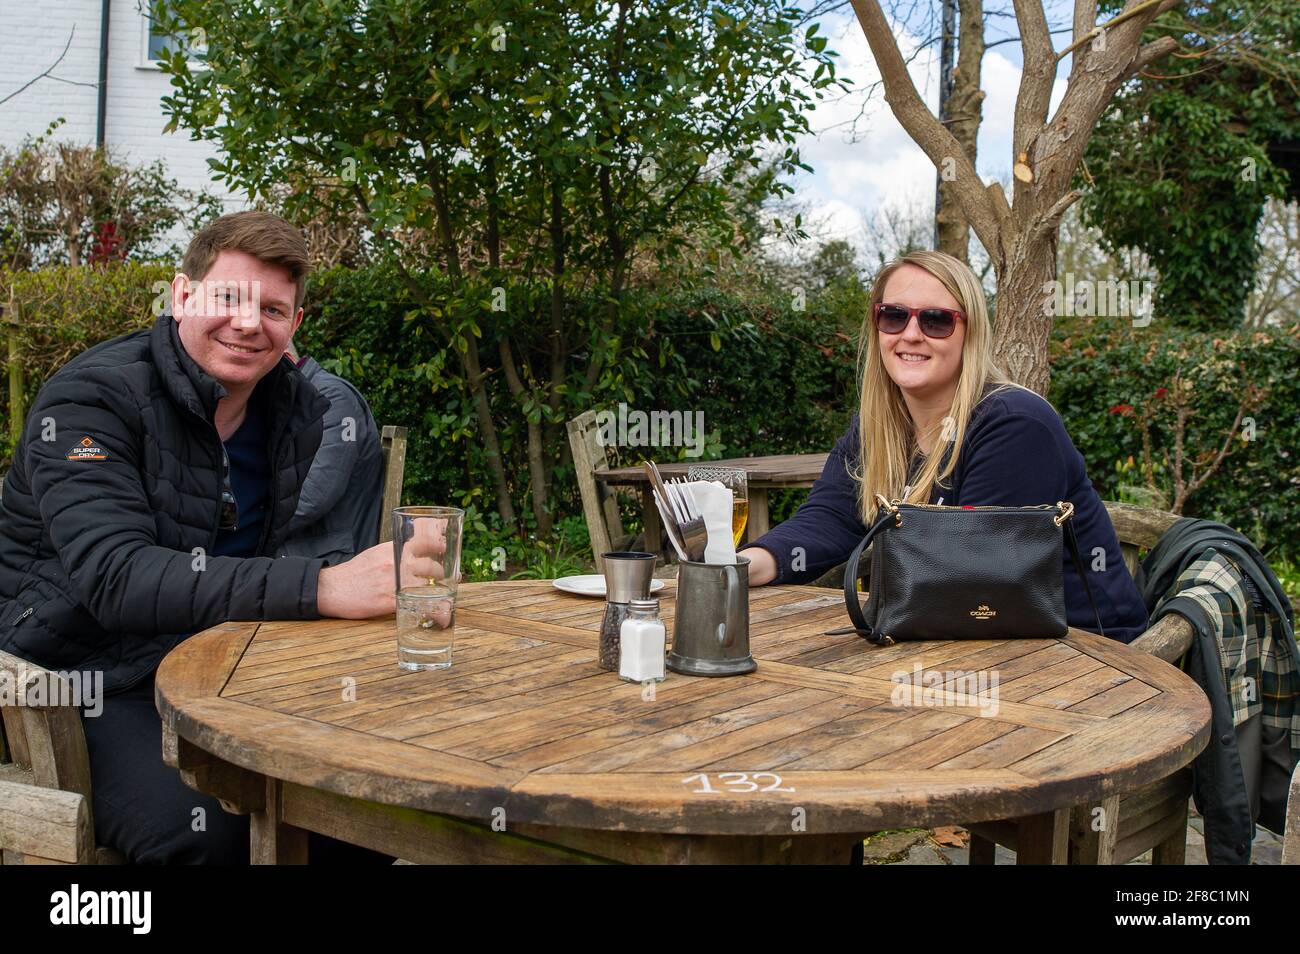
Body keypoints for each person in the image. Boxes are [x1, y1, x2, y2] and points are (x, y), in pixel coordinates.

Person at [0, 211, 411, 863]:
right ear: (181, 296)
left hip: (213, 668)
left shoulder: (292, 412)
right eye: (229, 297)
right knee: (214, 835)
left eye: (273, 309)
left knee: (366, 800)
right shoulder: (88, 402)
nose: (249, 323)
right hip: (79, 681)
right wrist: (326, 585)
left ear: (295, 327)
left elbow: (255, 557)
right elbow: (118, 579)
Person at [740, 249, 1149, 643]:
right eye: (894, 316)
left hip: (1087, 654)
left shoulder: (1013, 424)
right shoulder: (880, 424)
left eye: (936, 321)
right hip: (966, 640)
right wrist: (742, 565)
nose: (911, 334)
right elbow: (832, 518)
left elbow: (970, 577)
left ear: (969, 334)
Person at [278, 341, 382, 564]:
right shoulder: (292, 401)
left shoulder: (334, 399)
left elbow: (315, 496)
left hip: (329, 559)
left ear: (285, 360)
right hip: (300, 549)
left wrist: (245, 522)